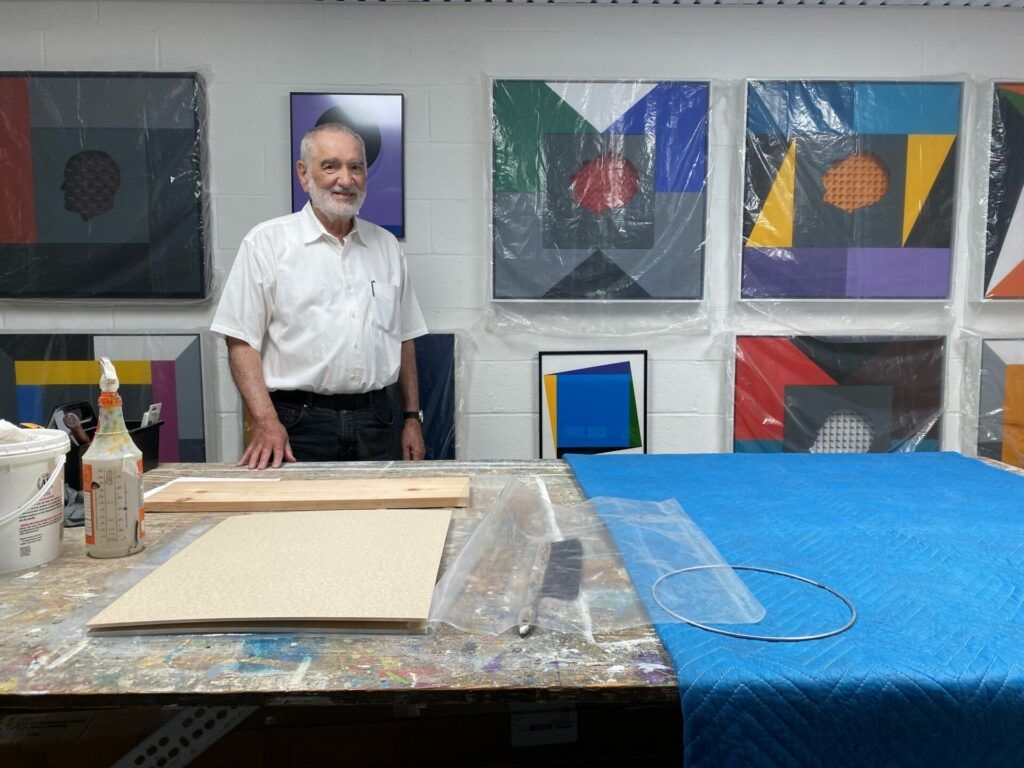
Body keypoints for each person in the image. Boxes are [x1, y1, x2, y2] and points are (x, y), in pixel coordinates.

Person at [211, 123, 427, 469]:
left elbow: (404, 339)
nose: (346, 178)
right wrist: (266, 421)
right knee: (296, 521)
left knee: (378, 520)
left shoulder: (386, 246)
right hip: (295, 424)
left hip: (376, 421)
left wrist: (412, 418)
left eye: (356, 167)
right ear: (303, 173)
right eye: (331, 166)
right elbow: (240, 341)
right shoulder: (267, 243)